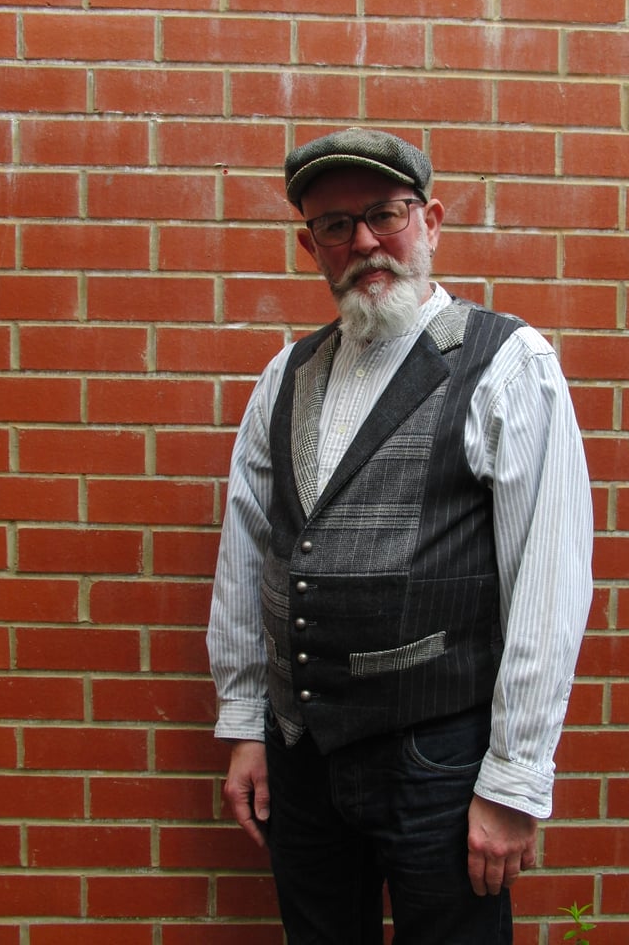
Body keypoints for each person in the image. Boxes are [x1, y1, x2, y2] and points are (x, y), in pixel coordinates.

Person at [207, 127, 593, 944]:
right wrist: (245, 725)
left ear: (431, 221)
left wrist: (515, 782)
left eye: (386, 213)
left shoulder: (508, 362)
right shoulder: (286, 375)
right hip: (300, 757)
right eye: (336, 226)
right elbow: (247, 554)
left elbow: (549, 584)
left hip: (440, 764)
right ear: (310, 246)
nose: (366, 241)